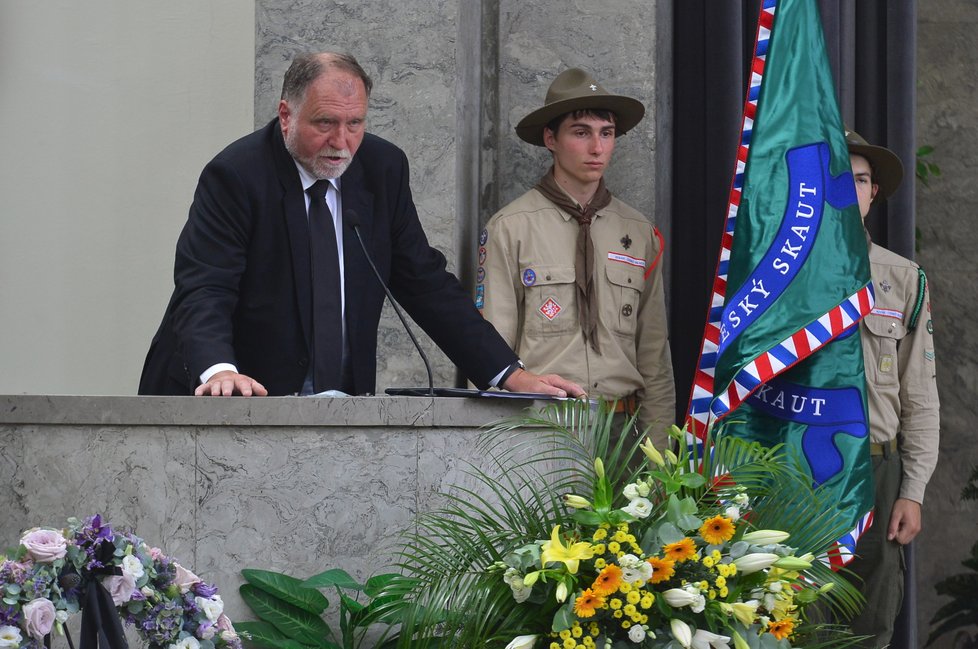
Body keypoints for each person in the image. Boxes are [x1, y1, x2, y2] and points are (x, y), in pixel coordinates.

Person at [138, 51, 585, 399]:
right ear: (286, 114)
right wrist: (220, 370)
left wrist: (508, 374)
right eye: (325, 123)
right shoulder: (236, 175)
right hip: (230, 395)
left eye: (355, 123)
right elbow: (205, 287)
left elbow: (423, 281)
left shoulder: (381, 168)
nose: (341, 142)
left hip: (338, 401)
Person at [477, 68, 675, 444]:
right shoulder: (511, 227)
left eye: (607, 133)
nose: (597, 148)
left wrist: (661, 453)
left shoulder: (637, 231)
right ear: (551, 138)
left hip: (623, 432)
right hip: (541, 428)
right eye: (581, 133)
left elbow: (654, 352)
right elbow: (489, 346)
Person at [846, 129, 940, 647]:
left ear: (874, 192)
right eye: (839, 179)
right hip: (796, 465)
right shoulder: (780, 277)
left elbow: (920, 397)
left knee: (869, 621)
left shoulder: (903, 279)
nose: (851, 190)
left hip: (877, 468)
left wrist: (912, 490)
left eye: (861, 180)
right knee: (785, 617)